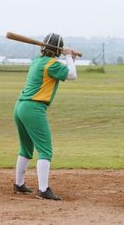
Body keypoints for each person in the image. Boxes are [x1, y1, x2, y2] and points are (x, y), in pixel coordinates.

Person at [12, 32, 79, 200]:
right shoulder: (51, 65)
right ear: (57, 51)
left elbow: (65, 70)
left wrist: (70, 58)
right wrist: (68, 56)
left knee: (26, 148)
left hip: (20, 107)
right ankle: (43, 190)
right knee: (45, 150)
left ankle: (19, 184)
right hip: (34, 108)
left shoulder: (38, 61)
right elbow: (72, 75)